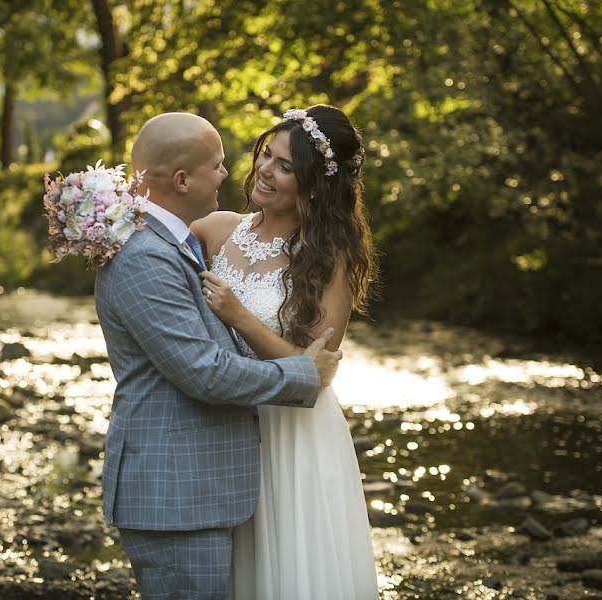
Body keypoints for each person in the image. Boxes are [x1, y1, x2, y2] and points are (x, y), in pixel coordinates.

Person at [93, 112, 343, 599]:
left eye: (283, 164)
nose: (236, 173)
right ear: (183, 179)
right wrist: (303, 374)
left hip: (224, 471)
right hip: (179, 488)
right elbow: (204, 372)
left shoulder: (174, 240)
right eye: (218, 165)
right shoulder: (150, 253)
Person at [192, 105, 380, 599]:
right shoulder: (214, 230)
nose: (266, 172)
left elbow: (314, 370)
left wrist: (240, 317)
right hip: (224, 419)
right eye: (267, 156)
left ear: (315, 184)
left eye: (285, 167)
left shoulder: (330, 257)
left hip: (291, 431)